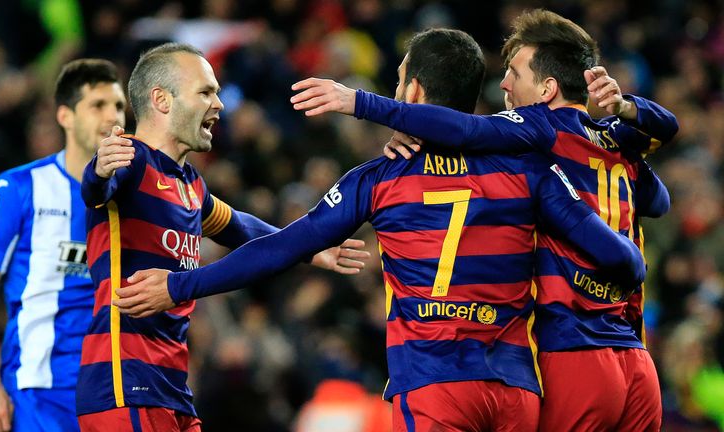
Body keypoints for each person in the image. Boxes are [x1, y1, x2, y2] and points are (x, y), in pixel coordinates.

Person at [112, 29, 647, 432]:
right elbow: (620, 255)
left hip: (435, 387)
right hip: (517, 389)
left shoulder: (380, 178)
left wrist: (179, 285)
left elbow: (281, 248)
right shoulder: (530, 169)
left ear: (411, 91)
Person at [289, 10, 679, 431]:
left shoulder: (535, 129)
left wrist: (365, 104)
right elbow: (659, 199)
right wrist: (627, 110)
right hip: (634, 355)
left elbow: (466, 131)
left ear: (547, 88)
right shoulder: (612, 141)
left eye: (514, 73)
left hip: (570, 351)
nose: (505, 84)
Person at [74, 42, 369, 432]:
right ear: (162, 100)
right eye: (205, 92)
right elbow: (96, 189)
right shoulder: (129, 160)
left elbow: (242, 228)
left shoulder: (190, 184)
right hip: (122, 382)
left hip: (172, 385)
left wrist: (312, 251)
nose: (219, 104)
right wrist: (99, 169)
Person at [0, 59, 127, 432]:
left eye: (118, 105)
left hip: (115, 387)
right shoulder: (20, 187)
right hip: (39, 389)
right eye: (97, 105)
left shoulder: (136, 197)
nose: (113, 117)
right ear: (65, 116)